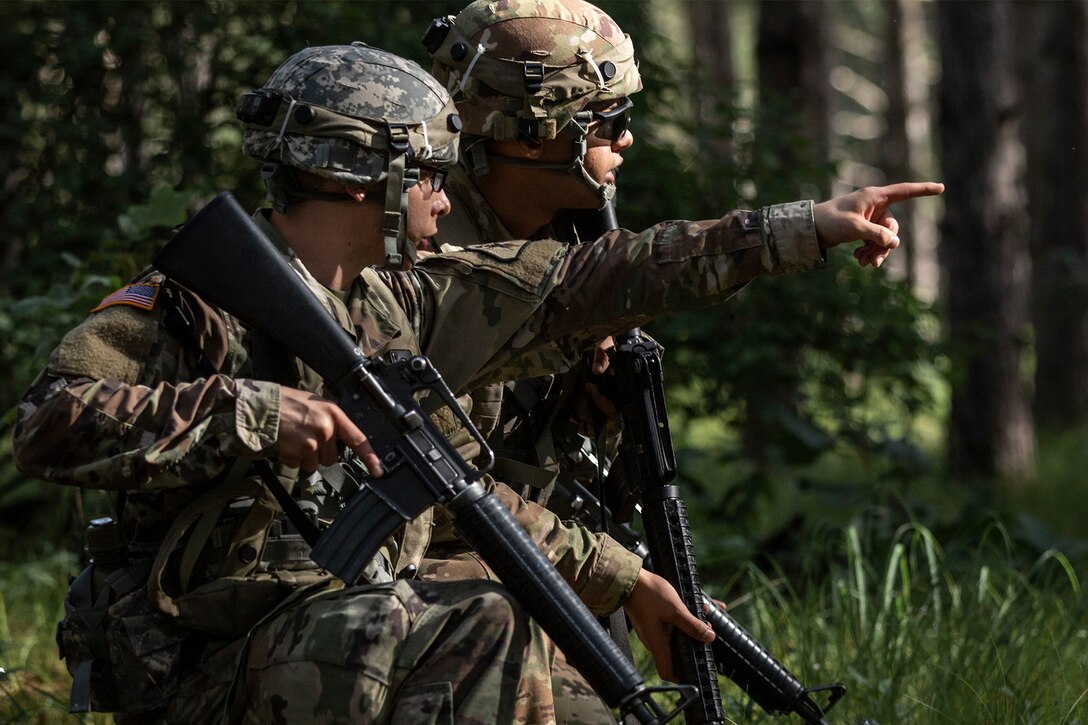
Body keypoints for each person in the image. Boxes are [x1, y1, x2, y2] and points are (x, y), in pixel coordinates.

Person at [12, 43, 708, 724]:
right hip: (204, 663)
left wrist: (615, 577)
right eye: (430, 174)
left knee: (542, 631)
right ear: (357, 180)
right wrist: (248, 412)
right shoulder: (193, 304)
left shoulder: (381, 306)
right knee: (479, 623)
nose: (445, 197)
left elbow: (460, 486)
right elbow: (45, 422)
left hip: (328, 619)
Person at [417, 0, 941, 716]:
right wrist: (621, 575)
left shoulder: (563, 224)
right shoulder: (433, 258)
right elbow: (444, 494)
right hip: (431, 570)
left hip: (526, 552)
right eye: (607, 121)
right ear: (537, 135)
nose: (628, 138)